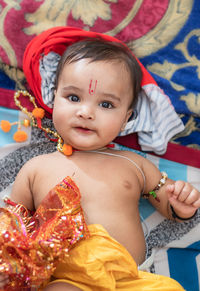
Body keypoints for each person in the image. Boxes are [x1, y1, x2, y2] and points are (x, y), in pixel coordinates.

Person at [0, 38, 199, 291]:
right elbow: (11, 226)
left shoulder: (134, 164)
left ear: (126, 118)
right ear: (54, 99)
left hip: (130, 279)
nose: (86, 112)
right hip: (69, 277)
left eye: (106, 104)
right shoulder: (36, 167)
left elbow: (168, 205)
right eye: (73, 97)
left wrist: (182, 204)